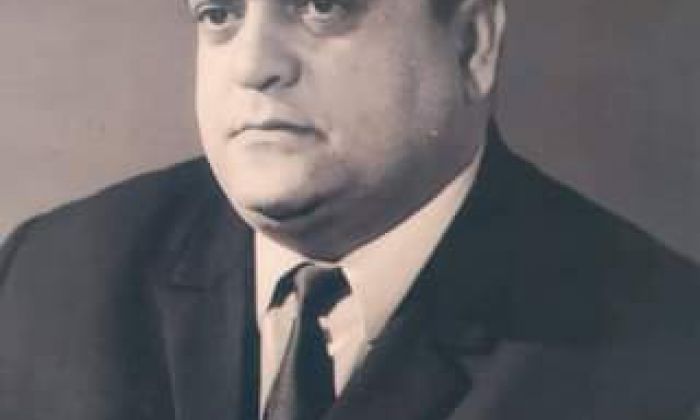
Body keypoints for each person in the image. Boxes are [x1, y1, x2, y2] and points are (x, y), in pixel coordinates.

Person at [2, 0, 700, 419]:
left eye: (321, 7)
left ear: (472, 45)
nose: (252, 65)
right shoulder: (44, 280)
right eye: (220, 14)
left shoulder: (665, 352)